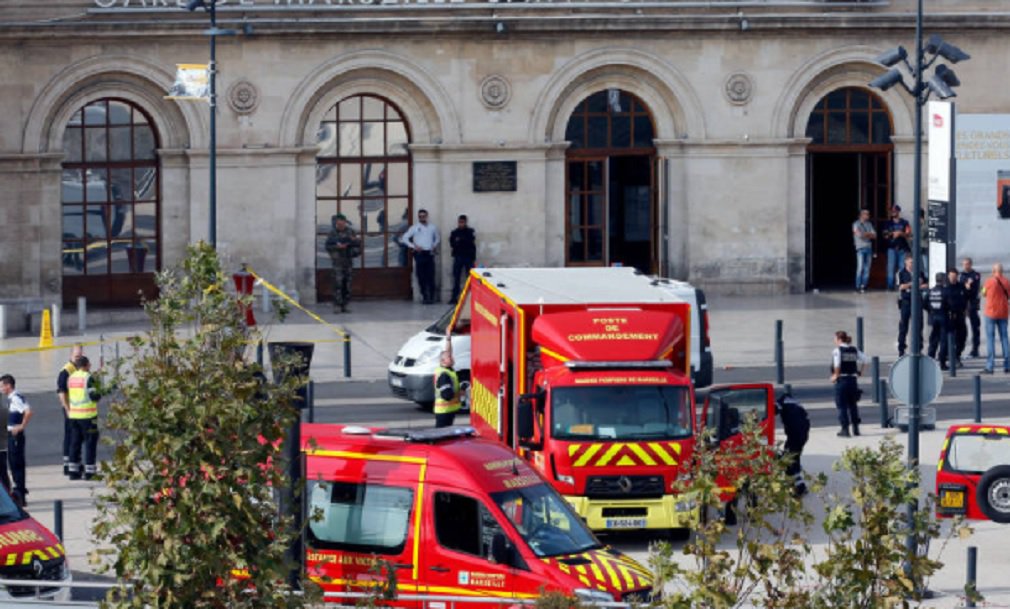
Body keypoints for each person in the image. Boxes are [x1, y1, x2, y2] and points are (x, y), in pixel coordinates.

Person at [67, 355, 102, 480]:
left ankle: (73, 471)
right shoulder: (88, 378)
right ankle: (89, 471)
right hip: (88, 416)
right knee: (90, 443)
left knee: (74, 443)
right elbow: (94, 396)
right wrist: (100, 388)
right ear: (86, 365)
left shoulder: (71, 378)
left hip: (74, 415)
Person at [0, 375, 30, 507]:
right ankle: (17, 492)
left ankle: (20, 494)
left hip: (15, 436)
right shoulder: (11, 398)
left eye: (1, 386)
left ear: (8, 386)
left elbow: (28, 411)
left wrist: (21, 426)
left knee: (16, 464)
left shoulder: (16, 398)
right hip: (9, 435)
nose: (0, 389)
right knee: (13, 464)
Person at [830, 330, 867, 437]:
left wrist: (835, 376)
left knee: (841, 405)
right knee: (853, 405)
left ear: (838, 339)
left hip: (842, 380)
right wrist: (860, 372)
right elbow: (865, 359)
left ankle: (845, 429)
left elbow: (837, 365)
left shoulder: (837, 351)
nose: (834, 341)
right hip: (853, 380)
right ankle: (856, 429)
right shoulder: (854, 350)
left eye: (835, 339)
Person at [401, 209, 441, 304]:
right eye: (420, 216)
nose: (422, 218)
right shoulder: (414, 228)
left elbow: (437, 238)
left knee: (430, 276)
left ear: (426, 216)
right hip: (420, 254)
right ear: (418, 217)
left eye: (423, 216)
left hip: (429, 253)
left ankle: (431, 296)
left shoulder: (432, 227)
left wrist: (434, 245)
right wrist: (414, 246)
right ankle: (424, 296)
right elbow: (404, 238)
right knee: (421, 276)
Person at [324, 213, 360, 314]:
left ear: (345, 222)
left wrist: (351, 248)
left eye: (342, 223)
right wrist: (337, 247)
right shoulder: (332, 233)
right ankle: (337, 305)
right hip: (337, 263)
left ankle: (345, 304)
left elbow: (358, 246)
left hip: (348, 262)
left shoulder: (350, 232)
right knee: (337, 284)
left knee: (347, 284)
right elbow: (327, 246)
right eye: (338, 224)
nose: (340, 225)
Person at [776, 392, 810, 497]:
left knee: (788, 460)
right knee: (794, 458)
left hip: (794, 436)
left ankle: (800, 488)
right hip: (802, 435)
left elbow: (772, 410)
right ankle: (794, 483)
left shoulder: (782, 403)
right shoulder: (796, 404)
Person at [56, 344, 83, 476]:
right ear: (70, 356)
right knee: (71, 436)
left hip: (78, 409)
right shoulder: (66, 371)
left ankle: (73, 462)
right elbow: (61, 392)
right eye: (76, 356)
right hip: (70, 409)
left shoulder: (78, 368)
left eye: (80, 356)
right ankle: (68, 464)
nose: (78, 358)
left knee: (75, 436)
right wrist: (67, 409)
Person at [981, 263, 1010, 374]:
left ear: (993, 271)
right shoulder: (1007, 282)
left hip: (991, 313)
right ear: (1002, 271)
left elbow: (983, 293)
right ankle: (1007, 365)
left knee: (990, 339)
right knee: (1004, 338)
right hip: (1003, 313)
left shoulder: (989, 281)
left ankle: (990, 366)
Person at [896, 254, 927, 357]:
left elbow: (926, 284)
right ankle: (901, 349)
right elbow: (901, 287)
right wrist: (913, 284)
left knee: (919, 326)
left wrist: (919, 285)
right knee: (903, 326)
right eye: (910, 262)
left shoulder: (919, 272)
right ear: (906, 263)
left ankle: (919, 348)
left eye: (913, 263)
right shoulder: (901, 273)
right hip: (906, 302)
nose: (912, 264)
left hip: (917, 302)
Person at [432, 334, 461, 428]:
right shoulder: (444, 375)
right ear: (443, 361)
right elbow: (447, 395)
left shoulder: (445, 369)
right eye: (450, 358)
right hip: (444, 411)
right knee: (441, 436)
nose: (452, 358)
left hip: (447, 410)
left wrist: (448, 339)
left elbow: (448, 352)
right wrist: (460, 393)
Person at [882, 204, 911, 291]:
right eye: (892, 211)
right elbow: (884, 235)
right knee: (890, 268)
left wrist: (900, 233)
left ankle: (902, 286)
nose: (893, 212)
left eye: (895, 211)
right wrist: (892, 233)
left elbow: (908, 234)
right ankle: (890, 287)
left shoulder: (905, 222)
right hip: (891, 248)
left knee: (902, 268)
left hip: (902, 248)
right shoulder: (887, 223)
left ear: (898, 212)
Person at [449, 214, 476, 303]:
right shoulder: (454, 232)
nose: (461, 224)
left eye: (462, 222)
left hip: (468, 257)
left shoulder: (470, 231)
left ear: (465, 222)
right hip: (458, 257)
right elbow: (452, 243)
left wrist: (460, 240)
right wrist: (460, 241)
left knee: (469, 278)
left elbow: (470, 242)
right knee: (456, 277)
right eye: (460, 222)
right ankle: (454, 297)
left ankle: (471, 297)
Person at [926, 272, 951, 370]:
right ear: (944, 279)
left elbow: (925, 303)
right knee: (943, 341)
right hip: (943, 317)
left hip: (933, 318)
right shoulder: (945, 291)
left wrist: (931, 311)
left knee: (933, 340)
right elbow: (950, 304)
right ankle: (942, 362)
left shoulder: (930, 291)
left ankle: (930, 359)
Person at [960, 257, 982, 358]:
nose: (965, 266)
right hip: (963, 303)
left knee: (975, 327)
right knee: (961, 327)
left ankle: (975, 350)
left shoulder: (976, 275)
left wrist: (967, 284)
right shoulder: (962, 275)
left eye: (967, 264)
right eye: (964, 264)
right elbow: (963, 286)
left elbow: (973, 286)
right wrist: (966, 284)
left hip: (972, 303)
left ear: (971, 264)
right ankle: (960, 349)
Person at [946, 268, 968, 367]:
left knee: (962, 337)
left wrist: (966, 310)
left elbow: (966, 298)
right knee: (950, 338)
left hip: (960, 315)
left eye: (955, 276)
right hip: (949, 316)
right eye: (951, 276)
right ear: (948, 276)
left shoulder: (961, 286)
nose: (953, 278)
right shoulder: (946, 287)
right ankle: (951, 357)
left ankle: (957, 355)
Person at [852, 209, 876, 293]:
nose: (868, 215)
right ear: (861, 215)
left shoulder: (869, 224)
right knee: (860, 267)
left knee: (867, 268)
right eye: (866, 214)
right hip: (860, 248)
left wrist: (866, 234)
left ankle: (864, 286)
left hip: (869, 248)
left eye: (868, 214)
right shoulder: (856, 224)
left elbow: (874, 235)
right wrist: (868, 234)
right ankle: (858, 286)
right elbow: (859, 235)